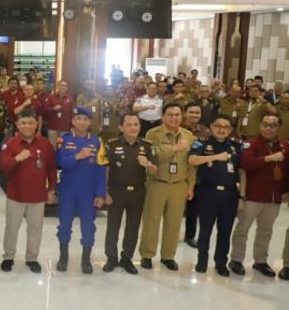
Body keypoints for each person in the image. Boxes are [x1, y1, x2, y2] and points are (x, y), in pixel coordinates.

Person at [230, 114, 289, 278]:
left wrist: (286, 190)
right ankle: (236, 259)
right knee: (243, 229)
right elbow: (246, 164)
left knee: (266, 231)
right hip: (253, 196)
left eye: (273, 125)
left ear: (278, 128)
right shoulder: (251, 144)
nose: (268, 128)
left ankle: (261, 261)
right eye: (265, 124)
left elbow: (287, 171)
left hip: (274, 198)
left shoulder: (285, 145)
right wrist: (269, 158)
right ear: (259, 126)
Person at [140, 103, 196, 271]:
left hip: (179, 185)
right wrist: (175, 148)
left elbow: (192, 165)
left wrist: (190, 186)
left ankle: (168, 256)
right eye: (170, 115)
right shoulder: (153, 134)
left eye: (177, 114)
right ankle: (147, 255)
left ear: (182, 116)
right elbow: (152, 156)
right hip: (157, 183)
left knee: (174, 223)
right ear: (163, 116)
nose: (174, 118)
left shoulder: (188, 136)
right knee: (151, 221)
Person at [0, 109, 57, 273]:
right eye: (23, 123)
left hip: (38, 196)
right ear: (17, 124)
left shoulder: (45, 144)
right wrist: (17, 158)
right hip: (15, 195)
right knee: (11, 227)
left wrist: (51, 190)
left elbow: (52, 169)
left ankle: (31, 258)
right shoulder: (10, 144)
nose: (27, 126)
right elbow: (3, 166)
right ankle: (8, 257)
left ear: (36, 124)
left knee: (35, 228)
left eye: (30, 122)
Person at [103, 113, 157, 275]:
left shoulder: (147, 146)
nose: (133, 128)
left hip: (138, 191)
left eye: (136, 124)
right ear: (121, 127)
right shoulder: (112, 145)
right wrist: (104, 191)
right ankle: (111, 257)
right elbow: (105, 170)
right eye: (129, 125)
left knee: (133, 227)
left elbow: (155, 170)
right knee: (113, 225)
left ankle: (127, 258)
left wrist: (147, 163)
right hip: (116, 191)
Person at [55, 107, 107, 274]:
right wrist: (78, 156)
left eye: (85, 119)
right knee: (64, 224)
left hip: (88, 191)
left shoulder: (97, 142)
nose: (81, 122)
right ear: (73, 121)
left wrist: (100, 193)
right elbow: (60, 162)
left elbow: (101, 169)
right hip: (68, 189)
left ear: (90, 122)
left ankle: (86, 259)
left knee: (88, 226)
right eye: (78, 118)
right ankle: (63, 256)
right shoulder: (63, 140)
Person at [187, 114, 241, 276]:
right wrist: (216, 157)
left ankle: (221, 263)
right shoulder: (202, 143)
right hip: (207, 193)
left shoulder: (235, 146)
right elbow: (192, 160)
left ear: (230, 130)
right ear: (211, 127)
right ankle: (202, 261)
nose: (221, 129)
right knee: (205, 230)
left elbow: (241, 170)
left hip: (230, 195)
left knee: (225, 231)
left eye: (226, 127)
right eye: (218, 126)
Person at [182, 101, 211, 248]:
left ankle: (189, 235)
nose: (194, 115)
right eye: (191, 112)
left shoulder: (206, 131)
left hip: (198, 175)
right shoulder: (178, 129)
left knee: (193, 208)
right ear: (185, 113)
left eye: (197, 113)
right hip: (179, 173)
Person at [42, 80, 74, 148]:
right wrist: (53, 109)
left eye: (65, 85)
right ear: (57, 86)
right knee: (52, 147)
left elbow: (72, 113)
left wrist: (72, 126)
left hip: (65, 128)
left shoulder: (70, 99)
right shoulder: (51, 97)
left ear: (67, 88)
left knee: (64, 147)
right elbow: (44, 110)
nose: (63, 87)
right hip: (52, 127)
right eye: (61, 85)